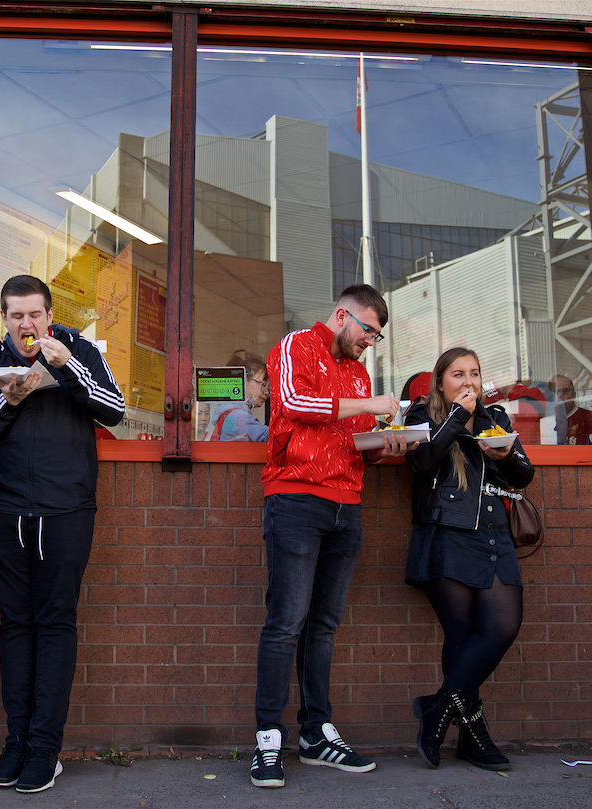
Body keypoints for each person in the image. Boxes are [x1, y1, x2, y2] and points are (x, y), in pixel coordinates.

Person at [0, 275, 125, 793]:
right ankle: (17, 741)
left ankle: (44, 748)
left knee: (55, 623)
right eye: (16, 316)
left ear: (49, 315)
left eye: (35, 315)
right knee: (15, 625)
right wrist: (8, 401)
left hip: (66, 510)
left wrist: (64, 367)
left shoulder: (81, 352)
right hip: (4, 511)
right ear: (3, 318)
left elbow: (114, 410)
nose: (26, 325)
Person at [251, 284, 414, 789]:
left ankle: (316, 733)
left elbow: (356, 440)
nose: (371, 340)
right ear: (342, 315)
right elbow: (297, 402)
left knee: (322, 626)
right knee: (286, 624)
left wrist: (387, 444)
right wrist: (366, 402)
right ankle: (267, 741)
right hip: (296, 499)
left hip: (348, 505)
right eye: (368, 329)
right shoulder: (297, 344)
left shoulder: (360, 371)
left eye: (377, 335)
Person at [404, 347, 534, 772]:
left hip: (494, 533)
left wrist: (507, 456)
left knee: (502, 627)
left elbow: (524, 474)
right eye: (458, 374)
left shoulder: (496, 419)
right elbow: (422, 462)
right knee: (461, 637)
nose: (469, 382)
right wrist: (458, 418)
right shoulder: (421, 416)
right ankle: (474, 737)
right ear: (441, 381)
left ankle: (438, 707)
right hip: (447, 534)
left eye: (474, 373)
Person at [204, 351, 270, 441]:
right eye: (263, 384)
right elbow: (273, 439)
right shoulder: (237, 416)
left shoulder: (231, 413)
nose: (266, 392)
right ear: (244, 382)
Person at [549, 374, 592, 445]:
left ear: (574, 394)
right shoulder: (545, 421)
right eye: (554, 392)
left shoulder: (591, 419)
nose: (559, 395)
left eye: (564, 391)